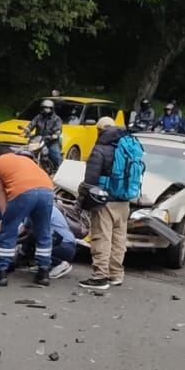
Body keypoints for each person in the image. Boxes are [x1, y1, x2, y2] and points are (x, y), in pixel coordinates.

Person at [0, 148, 56, 287]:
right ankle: (44, 272)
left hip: (23, 191)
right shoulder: (28, 163)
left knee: (8, 231)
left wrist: (5, 217)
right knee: (43, 232)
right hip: (47, 190)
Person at [78, 117, 130, 291]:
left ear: (99, 130)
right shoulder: (126, 146)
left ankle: (100, 276)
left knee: (102, 236)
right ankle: (116, 274)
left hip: (105, 200)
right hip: (124, 200)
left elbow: (90, 179)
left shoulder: (100, 148)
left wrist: (82, 199)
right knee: (119, 238)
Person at [25, 99, 64, 170]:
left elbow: (58, 130)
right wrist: (27, 130)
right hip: (39, 140)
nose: (46, 109)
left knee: (55, 155)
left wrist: (55, 135)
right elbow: (31, 124)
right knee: (28, 151)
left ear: (52, 109)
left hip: (51, 141)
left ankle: (57, 170)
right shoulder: (38, 117)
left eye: (48, 108)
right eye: (44, 107)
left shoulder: (57, 119)